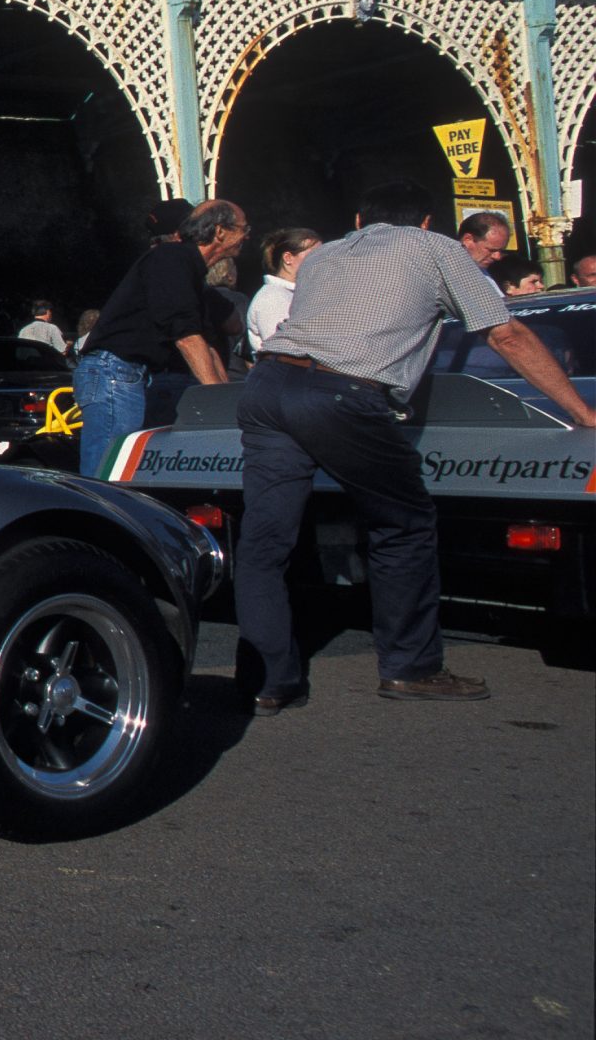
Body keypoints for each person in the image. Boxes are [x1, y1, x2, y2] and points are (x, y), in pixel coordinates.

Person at [240, 182, 596, 712]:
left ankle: (269, 681)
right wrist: (583, 413)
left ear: (360, 219)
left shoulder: (325, 256)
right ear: (427, 222)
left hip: (267, 387)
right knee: (402, 524)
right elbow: (506, 335)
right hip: (342, 393)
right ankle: (411, 667)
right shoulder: (435, 249)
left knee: (265, 541)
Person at [75, 199, 248, 478]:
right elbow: (186, 336)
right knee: (109, 474)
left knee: (128, 473)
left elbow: (203, 339)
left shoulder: (188, 269)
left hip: (128, 373)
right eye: (243, 228)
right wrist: (219, 400)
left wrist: (224, 400)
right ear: (220, 232)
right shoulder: (172, 258)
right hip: (114, 371)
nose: (247, 235)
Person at [246, 228, 321, 352]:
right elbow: (281, 348)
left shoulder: (299, 294)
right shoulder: (272, 297)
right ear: (288, 258)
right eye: (314, 255)